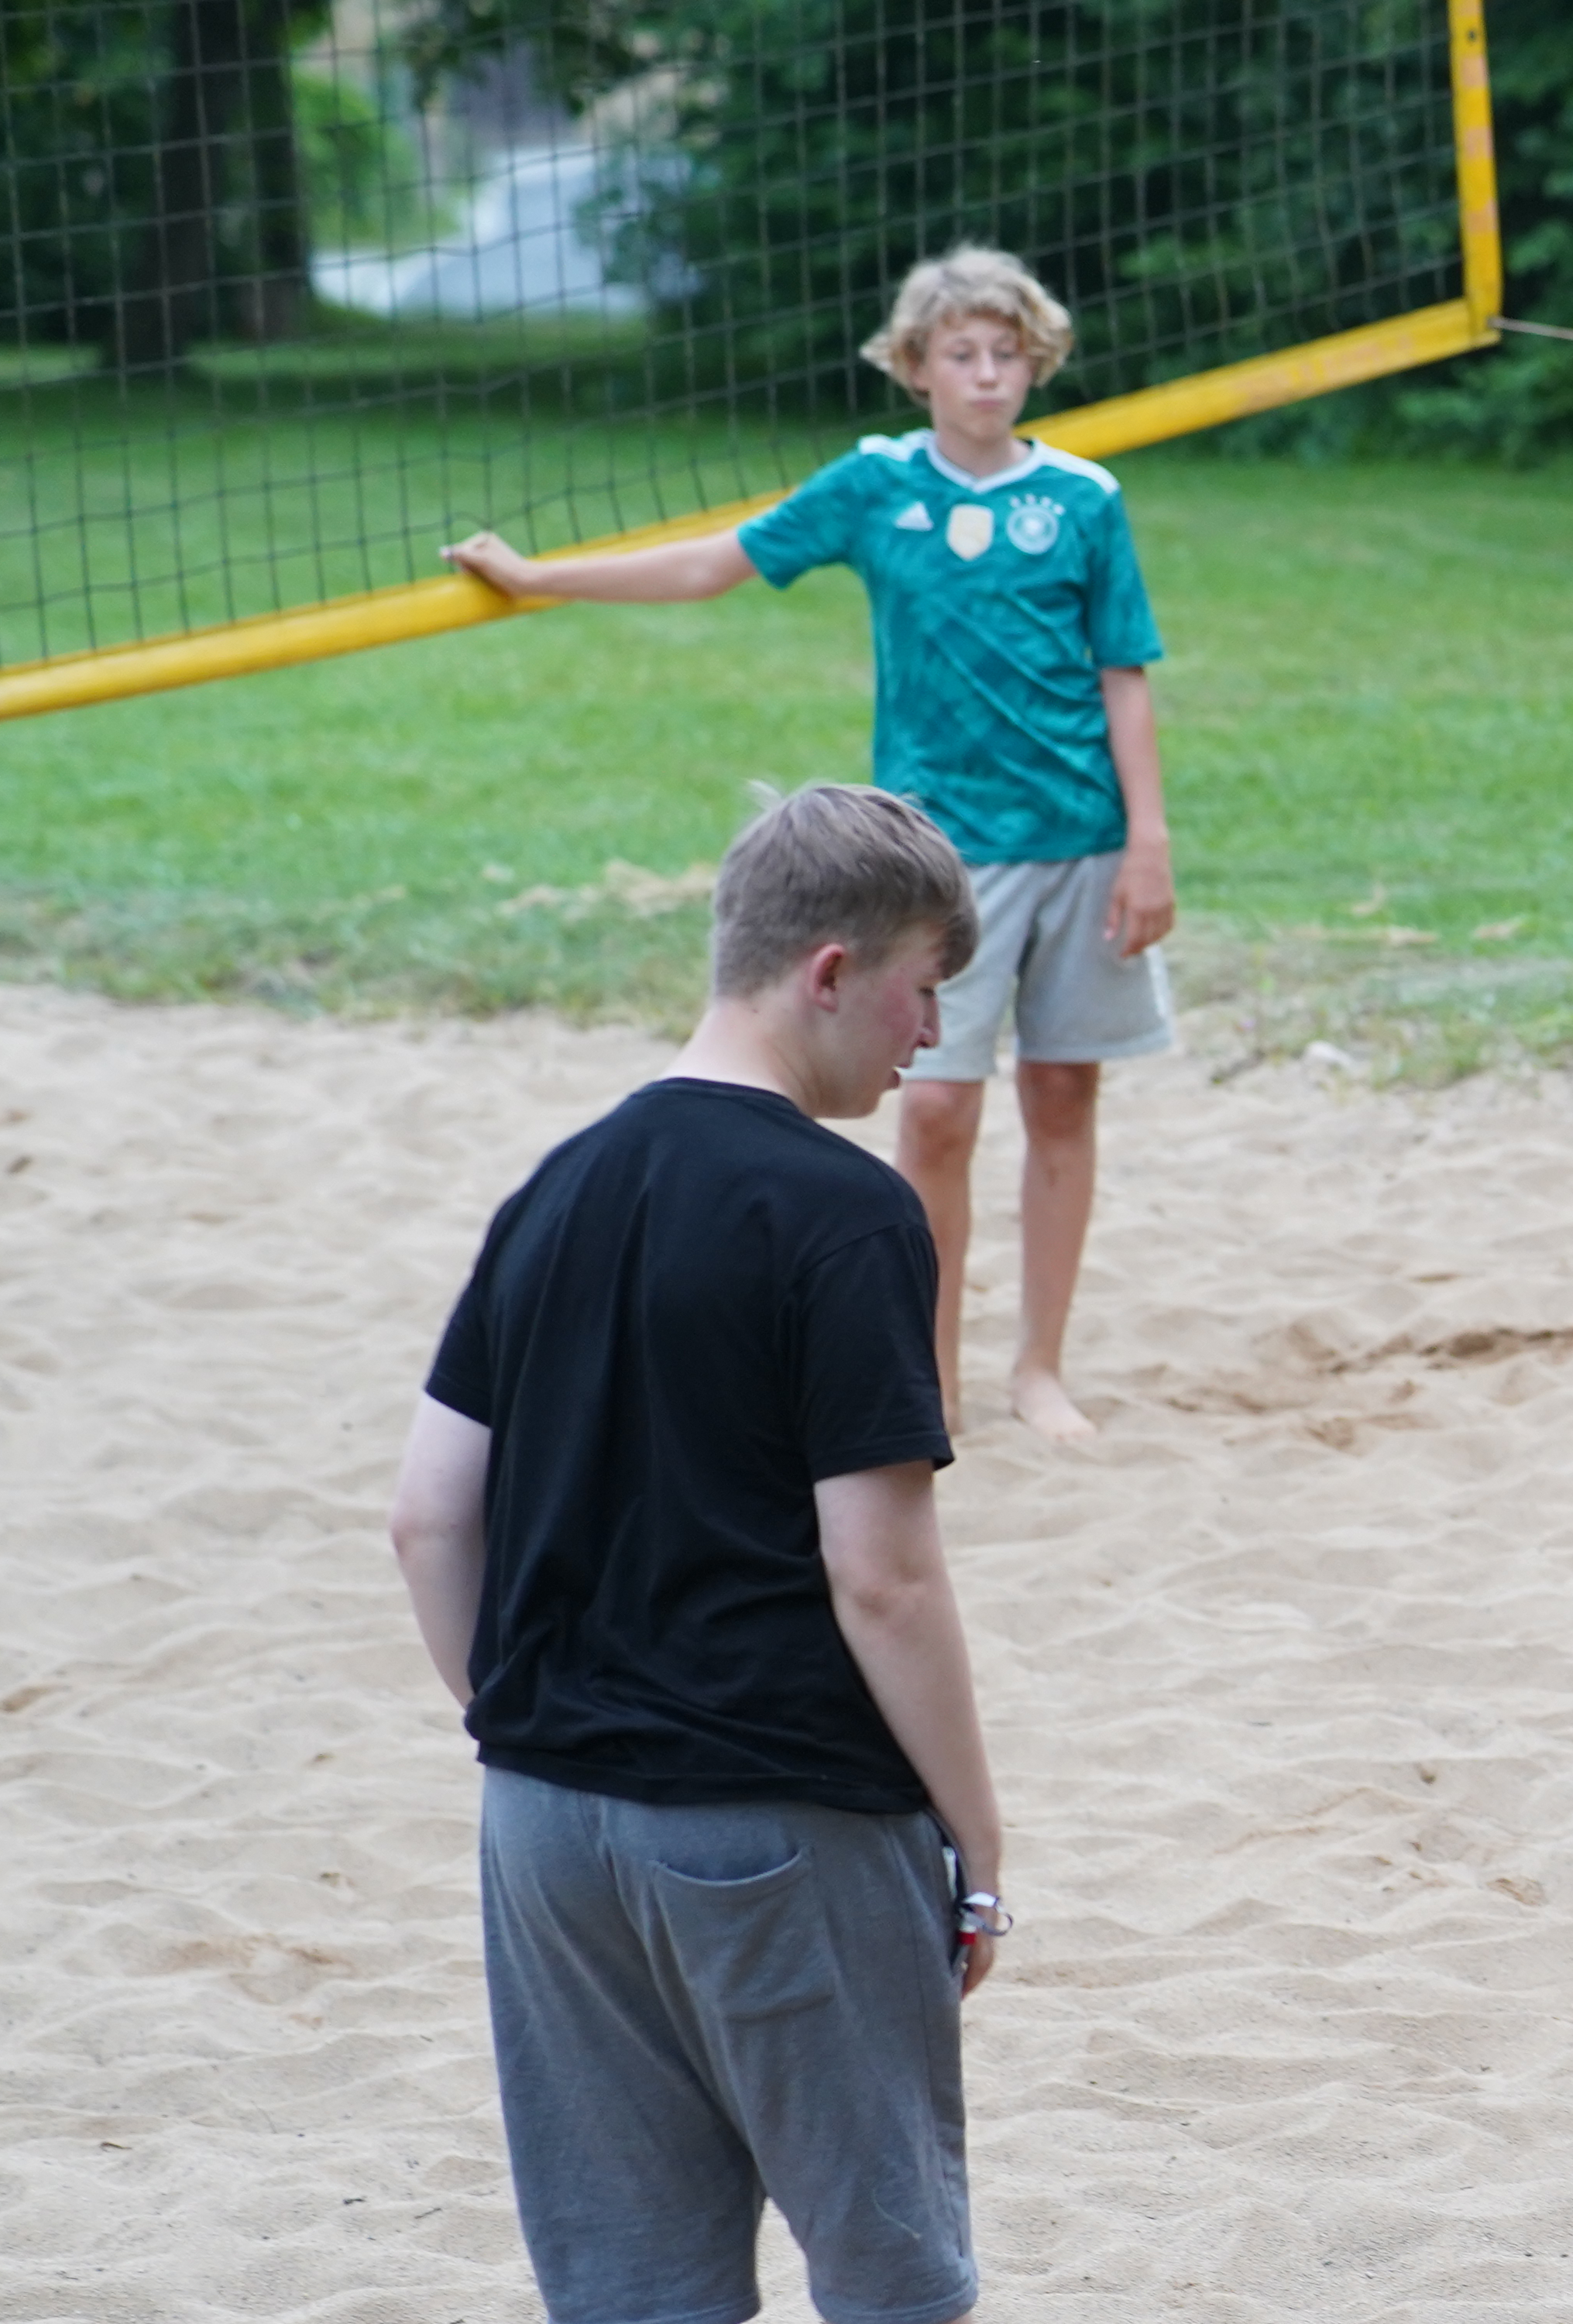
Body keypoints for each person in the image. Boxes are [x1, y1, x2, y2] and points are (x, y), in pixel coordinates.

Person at [387, 784, 1023, 2324]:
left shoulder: (557, 1188)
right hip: (781, 1817)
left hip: (547, 1824)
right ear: (833, 973)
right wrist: (978, 1842)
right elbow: (883, 1571)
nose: (933, 1043)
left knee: (624, 2293)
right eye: (927, 996)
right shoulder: (845, 1216)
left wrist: (528, 1725)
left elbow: (423, 1519)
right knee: (892, 2268)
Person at [447, 245, 1176, 1450]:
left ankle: (1038, 1368)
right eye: (962, 354)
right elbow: (712, 565)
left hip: (1084, 844)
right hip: (946, 856)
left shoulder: (1084, 501)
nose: (987, 375)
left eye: (1007, 354)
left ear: (1036, 363)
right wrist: (539, 579)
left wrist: (1148, 843)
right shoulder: (875, 487)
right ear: (916, 367)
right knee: (936, 1116)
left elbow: (1124, 676)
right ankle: (930, 1380)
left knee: (1061, 1096)